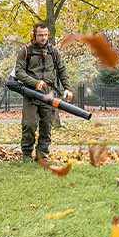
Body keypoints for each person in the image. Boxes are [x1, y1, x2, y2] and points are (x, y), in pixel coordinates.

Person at [13, 22, 73, 162]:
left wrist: (68, 88)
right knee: (29, 125)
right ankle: (27, 155)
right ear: (33, 35)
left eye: (46, 35)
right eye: (40, 35)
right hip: (31, 94)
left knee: (46, 126)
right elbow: (19, 72)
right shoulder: (25, 51)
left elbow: (62, 70)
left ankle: (42, 155)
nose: (44, 38)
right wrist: (35, 83)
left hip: (49, 95)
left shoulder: (54, 51)